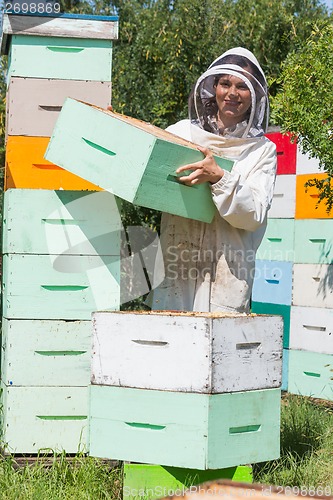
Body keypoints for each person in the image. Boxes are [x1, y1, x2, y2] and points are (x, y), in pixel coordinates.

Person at [147, 47, 277, 313]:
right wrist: (114, 128)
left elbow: (254, 215)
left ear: (254, 97)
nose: (232, 93)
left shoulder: (262, 150)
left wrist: (220, 178)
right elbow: (145, 173)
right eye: (225, 84)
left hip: (227, 276)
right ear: (213, 87)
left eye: (243, 87)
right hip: (176, 267)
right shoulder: (181, 132)